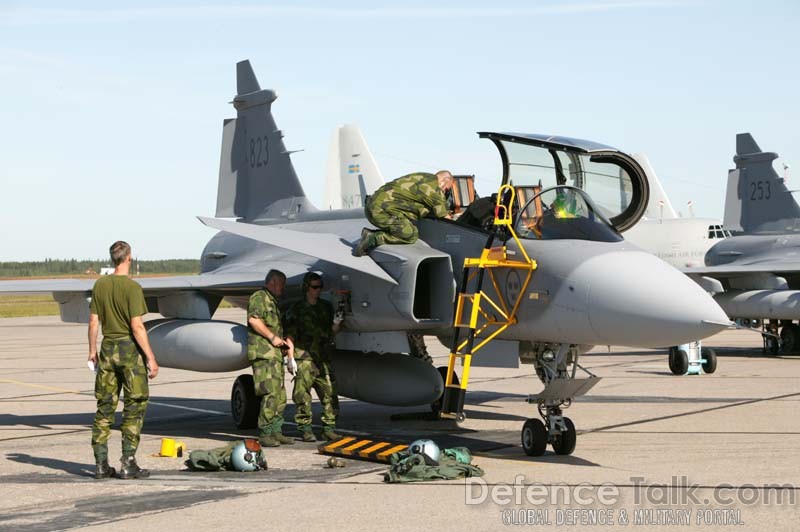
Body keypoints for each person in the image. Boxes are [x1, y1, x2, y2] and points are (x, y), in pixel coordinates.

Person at [88, 240, 159, 480]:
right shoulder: (132, 288)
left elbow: (93, 322)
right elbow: (137, 326)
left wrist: (92, 350)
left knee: (104, 407)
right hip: (129, 352)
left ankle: (100, 464)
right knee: (134, 406)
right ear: (129, 258)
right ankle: (128, 462)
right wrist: (151, 357)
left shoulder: (99, 285)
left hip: (107, 349)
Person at [284, 272, 343, 442]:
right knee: (302, 396)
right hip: (304, 358)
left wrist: (337, 324)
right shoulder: (297, 309)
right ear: (306, 288)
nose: (318, 290)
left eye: (320, 287)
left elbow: (331, 333)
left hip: (323, 358)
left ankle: (329, 429)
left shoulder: (325, 307)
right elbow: (290, 336)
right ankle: (305, 429)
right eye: (315, 287)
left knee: (330, 394)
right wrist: (290, 358)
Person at [247, 269, 296, 447]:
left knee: (280, 395)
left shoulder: (274, 301)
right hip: (263, 354)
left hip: (273, 355)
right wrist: (272, 337)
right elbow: (254, 320)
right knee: (270, 393)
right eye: (282, 284)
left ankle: (276, 430)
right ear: (274, 282)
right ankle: (265, 432)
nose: (283, 288)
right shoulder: (259, 297)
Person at [353, 170, 455, 256]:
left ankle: (372, 235)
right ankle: (372, 238)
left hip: (372, 207)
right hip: (380, 212)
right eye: (446, 189)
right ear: (443, 181)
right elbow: (446, 219)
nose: (445, 192)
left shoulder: (422, 176)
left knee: (404, 225)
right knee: (410, 234)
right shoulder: (435, 191)